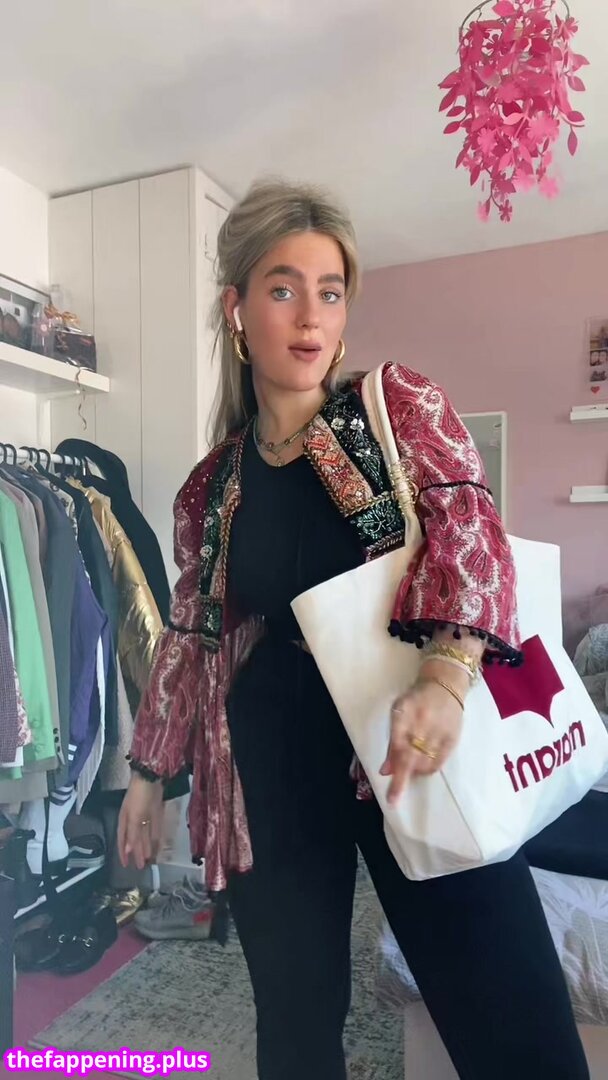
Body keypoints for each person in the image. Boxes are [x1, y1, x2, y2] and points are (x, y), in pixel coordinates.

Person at [118, 179, 588, 1080]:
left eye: (329, 291)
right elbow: (190, 632)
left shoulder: (392, 408)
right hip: (273, 760)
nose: (310, 315)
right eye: (283, 288)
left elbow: (469, 527)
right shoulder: (212, 485)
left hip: (413, 733)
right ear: (236, 309)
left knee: (517, 1026)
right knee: (295, 1029)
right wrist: (147, 774)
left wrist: (447, 675)